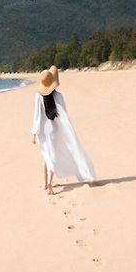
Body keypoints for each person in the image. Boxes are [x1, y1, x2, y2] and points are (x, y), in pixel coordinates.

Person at [31, 65, 96, 195]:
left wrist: (34, 133)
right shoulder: (59, 96)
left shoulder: (38, 96)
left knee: (46, 156)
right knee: (52, 156)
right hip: (54, 130)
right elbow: (63, 114)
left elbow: (37, 116)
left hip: (43, 132)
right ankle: (48, 182)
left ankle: (47, 183)